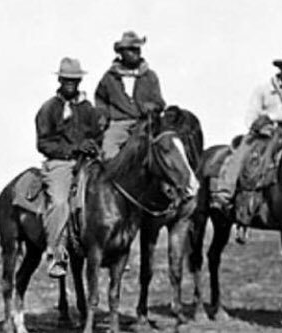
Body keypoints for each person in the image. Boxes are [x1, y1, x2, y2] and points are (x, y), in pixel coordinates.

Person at [35, 58, 107, 277]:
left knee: (109, 192)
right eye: (66, 80)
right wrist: (73, 148)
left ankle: (112, 247)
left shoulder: (87, 108)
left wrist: (93, 145)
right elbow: (43, 143)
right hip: (61, 162)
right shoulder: (49, 109)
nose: (70, 84)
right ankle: (56, 254)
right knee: (59, 201)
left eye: (74, 80)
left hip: (87, 161)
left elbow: (97, 133)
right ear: (59, 79)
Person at [211, 50, 282, 221]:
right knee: (241, 153)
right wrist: (258, 125)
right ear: (281, 69)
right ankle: (224, 193)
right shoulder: (263, 89)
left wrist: (270, 117)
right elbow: (251, 114)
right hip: (261, 130)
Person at [95, 31, 166, 160]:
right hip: (119, 123)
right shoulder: (109, 78)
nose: (136, 53)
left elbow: (160, 101)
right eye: (131, 50)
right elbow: (100, 99)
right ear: (121, 53)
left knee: (167, 148)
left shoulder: (149, 76)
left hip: (145, 123)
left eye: (138, 49)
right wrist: (103, 117)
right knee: (108, 151)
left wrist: (153, 106)